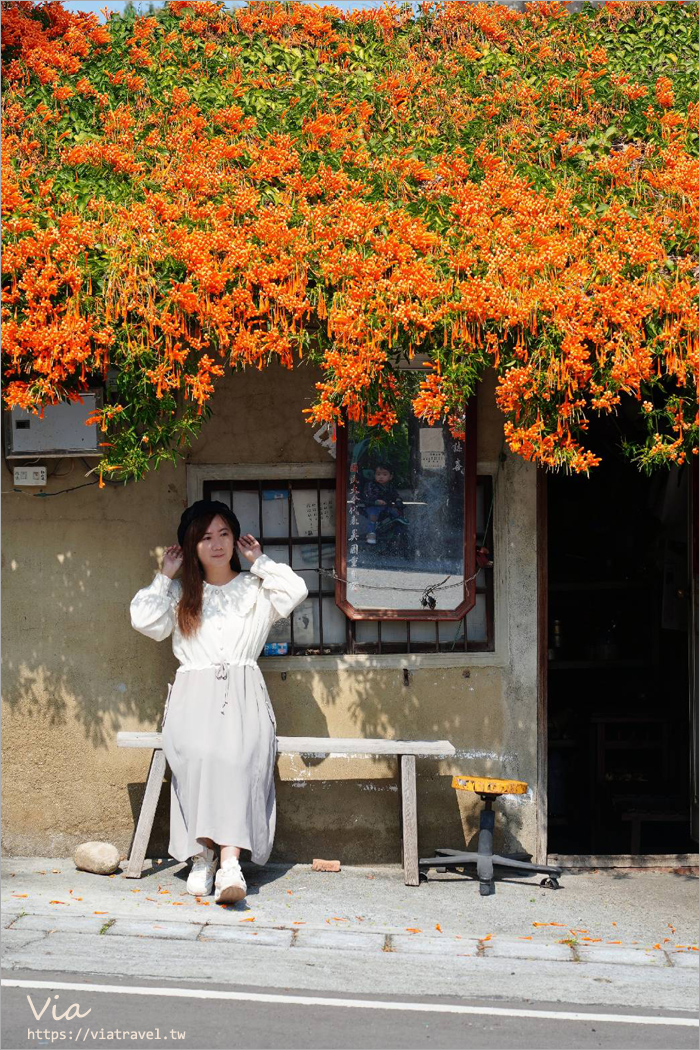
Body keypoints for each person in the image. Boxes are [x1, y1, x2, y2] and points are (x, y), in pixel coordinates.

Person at [129, 500, 308, 904]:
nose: (216, 544)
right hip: (194, 695)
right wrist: (164, 576)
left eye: (223, 534)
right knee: (200, 759)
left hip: (244, 692)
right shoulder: (179, 594)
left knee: (238, 759)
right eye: (205, 537)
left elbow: (296, 590)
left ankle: (229, 863)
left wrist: (259, 560)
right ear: (191, 545)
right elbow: (144, 621)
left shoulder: (255, 588)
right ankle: (203, 856)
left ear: (235, 539)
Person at [359, 462, 407, 545]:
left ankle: (398, 532)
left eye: (384, 475)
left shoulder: (390, 487)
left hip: (386, 507)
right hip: (372, 507)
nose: (381, 477)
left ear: (390, 477)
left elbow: (395, 495)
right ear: (374, 475)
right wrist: (376, 500)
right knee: (373, 516)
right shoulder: (371, 485)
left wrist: (398, 500)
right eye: (378, 474)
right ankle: (371, 533)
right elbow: (368, 495)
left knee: (397, 515)